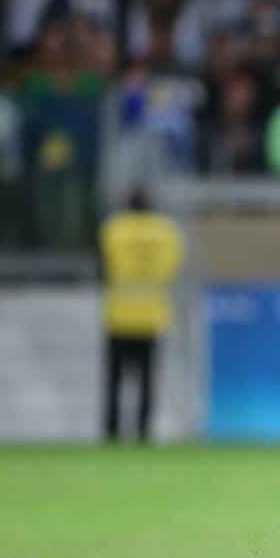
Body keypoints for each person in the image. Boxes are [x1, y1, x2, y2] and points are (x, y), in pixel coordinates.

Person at [99, 188, 185, 442]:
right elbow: (173, 267)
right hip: (152, 316)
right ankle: (144, 431)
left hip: (119, 315)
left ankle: (112, 430)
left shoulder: (115, 229)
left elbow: (104, 264)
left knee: (114, 380)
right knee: (147, 380)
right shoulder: (165, 231)